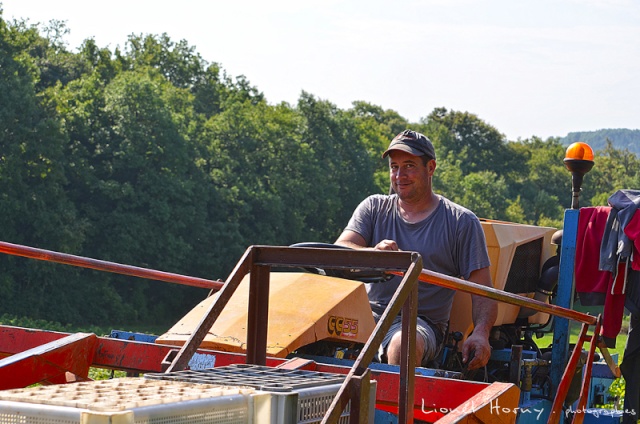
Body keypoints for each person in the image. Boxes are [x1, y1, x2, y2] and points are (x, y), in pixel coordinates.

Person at [334, 129, 497, 370]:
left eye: (409, 165)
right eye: (394, 166)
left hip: (419, 323)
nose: (400, 175)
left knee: (403, 344)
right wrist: (372, 254)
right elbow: (340, 250)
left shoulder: (460, 221)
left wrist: (481, 333)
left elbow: (482, 290)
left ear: (430, 167)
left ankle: (395, 408)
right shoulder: (373, 207)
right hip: (366, 315)